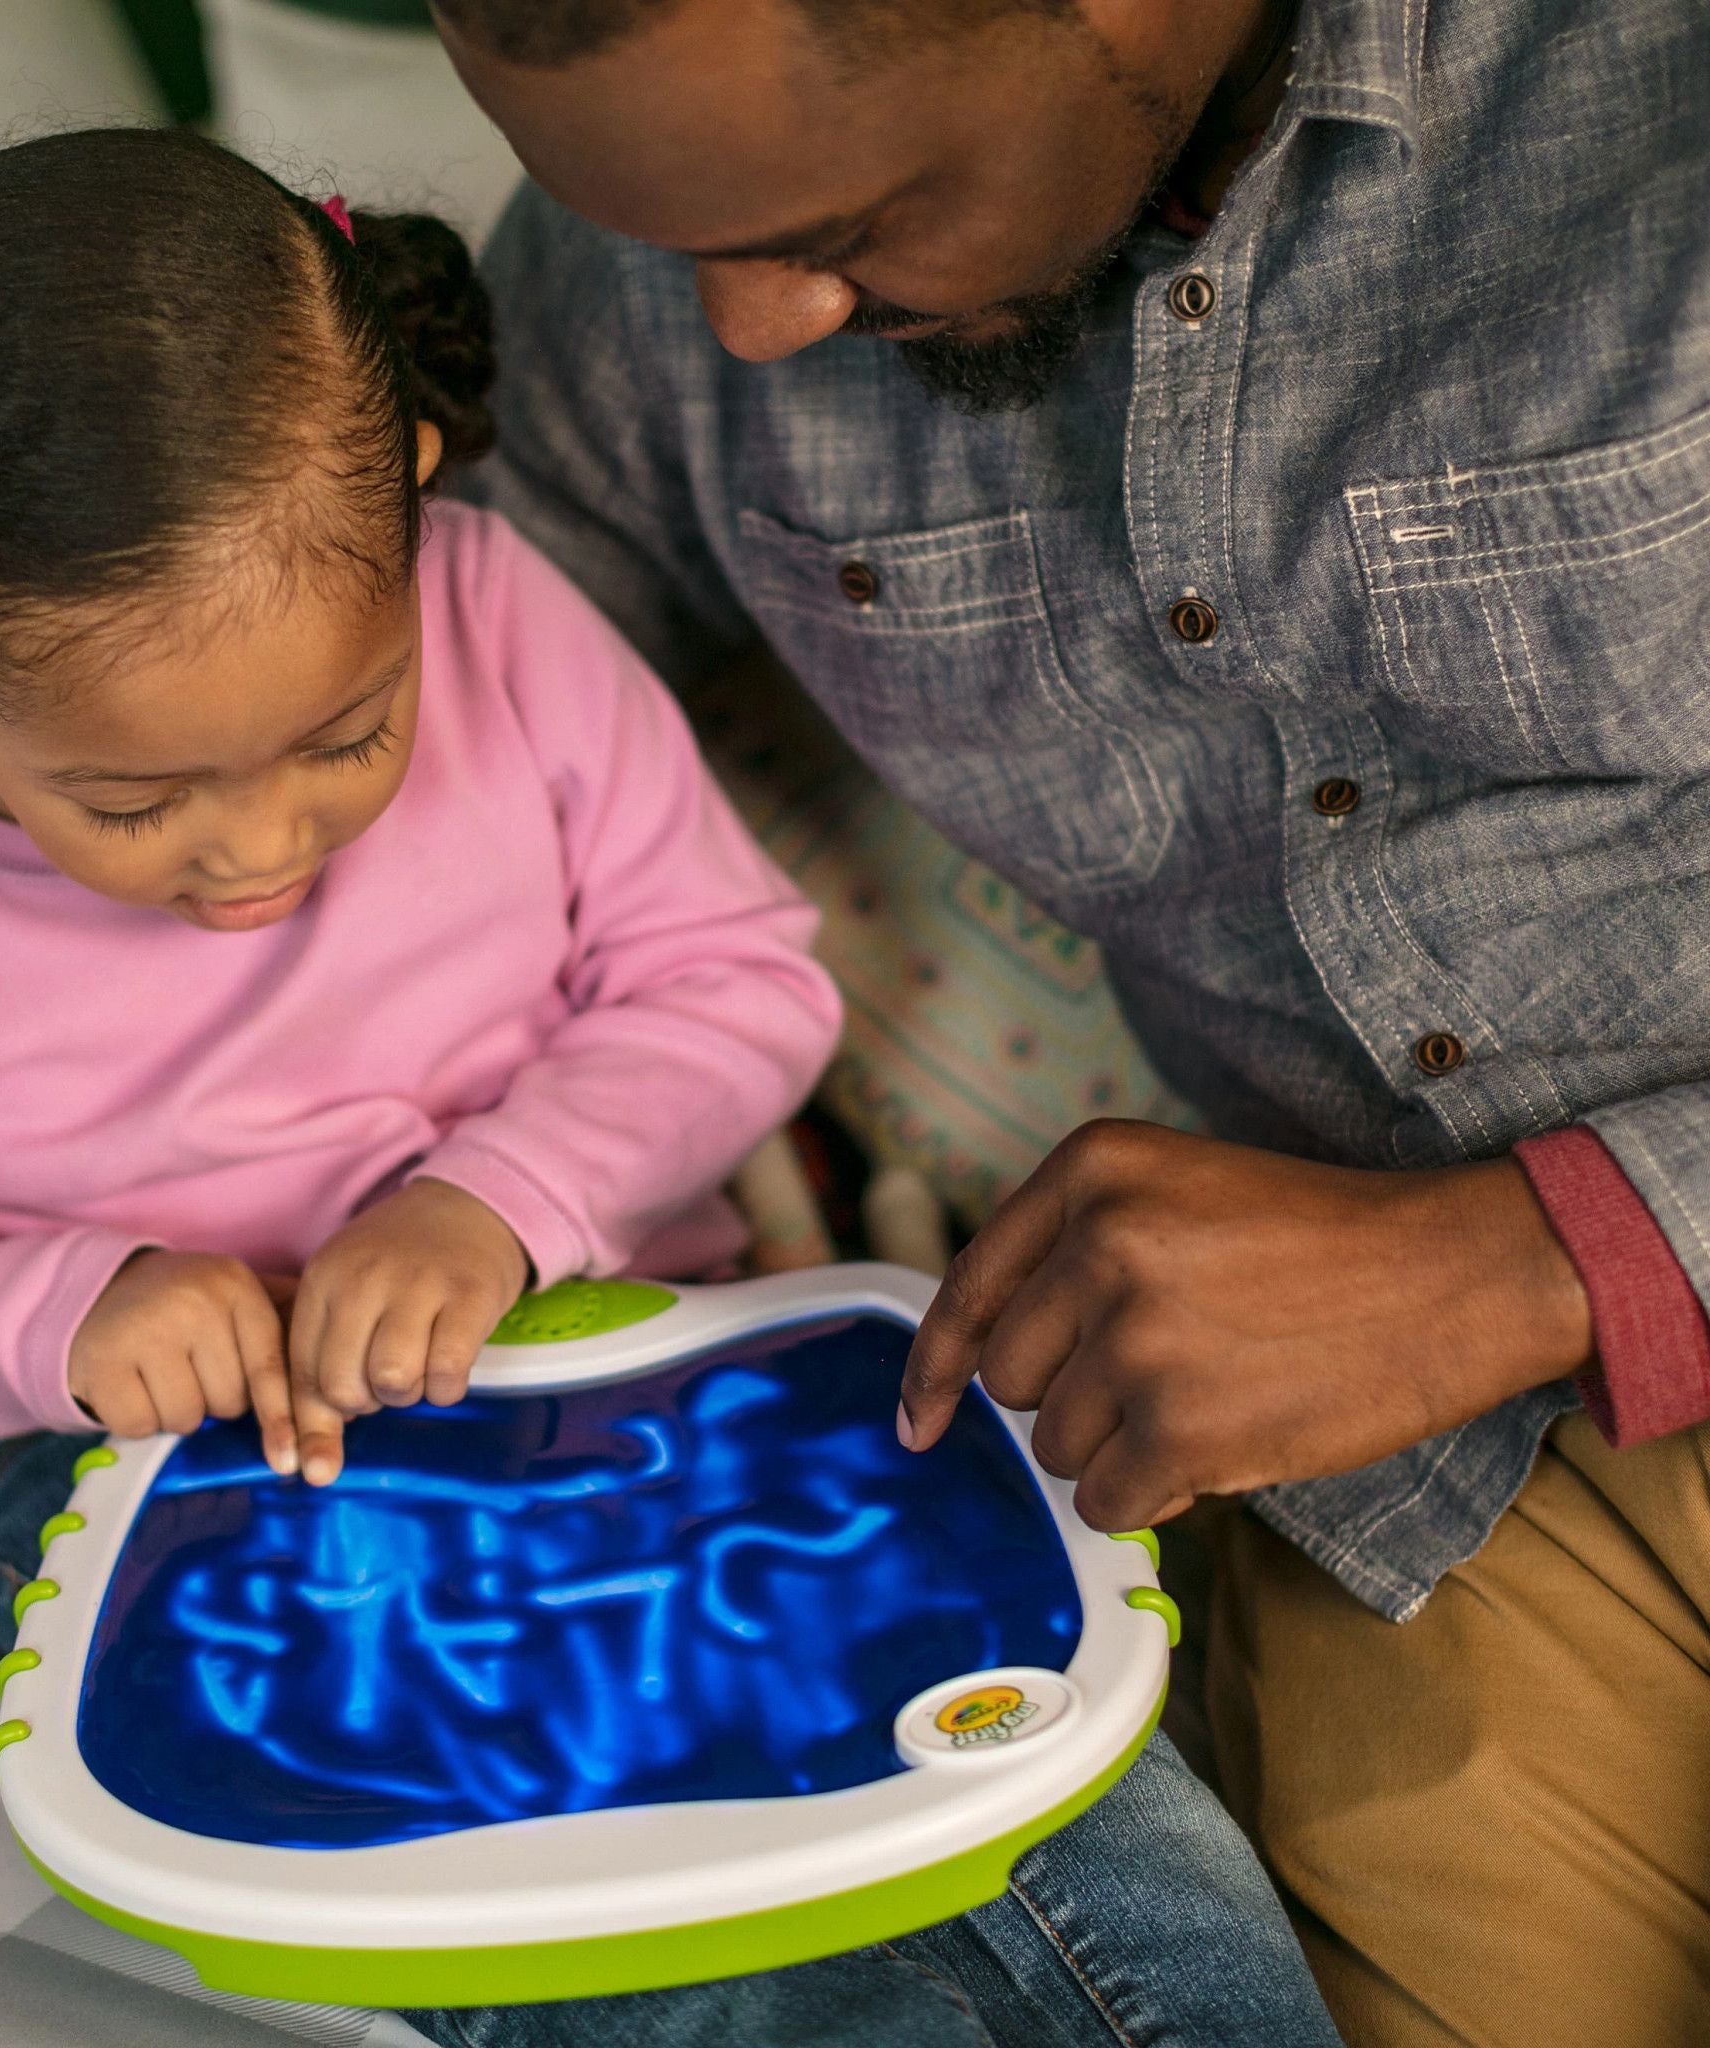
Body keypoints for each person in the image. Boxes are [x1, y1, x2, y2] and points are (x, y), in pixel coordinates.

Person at [0, 126, 1341, 2048]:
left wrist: (498, 1197)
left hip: (644, 1360)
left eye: (346, 737)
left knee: (1059, 1812)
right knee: (618, 1933)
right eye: (129, 800)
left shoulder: (498, 615)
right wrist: (61, 1312)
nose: (258, 850)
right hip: (194, 1490)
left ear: (417, 514)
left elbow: (730, 985)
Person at [420, 1, 1710, 2044]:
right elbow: (335, 816)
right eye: (680, 248)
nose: (749, 324)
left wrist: (1555, 1248)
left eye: (847, 223)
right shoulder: (653, 281)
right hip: (1425, 1488)